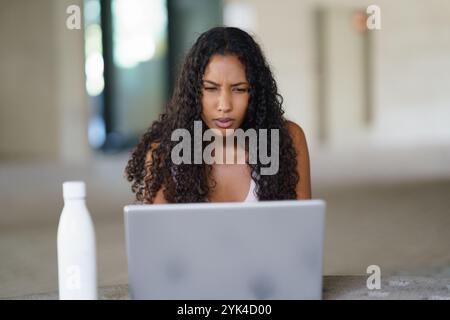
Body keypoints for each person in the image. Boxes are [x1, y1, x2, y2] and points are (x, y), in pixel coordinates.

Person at [125, 27, 311, 204]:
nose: (224, 106)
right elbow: (159, 234)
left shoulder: (288, 139)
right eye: (211, 88)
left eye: (239, 89)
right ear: (193, 92)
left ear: (256, 92)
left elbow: (302, 226)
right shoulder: (163, 153)